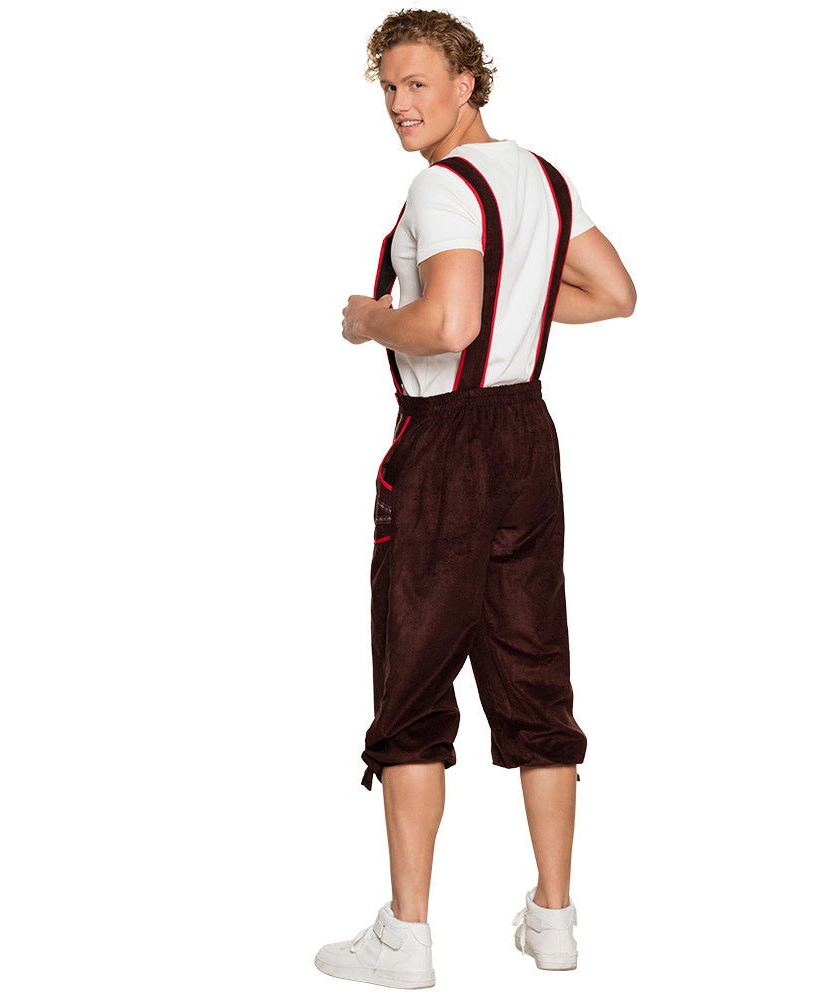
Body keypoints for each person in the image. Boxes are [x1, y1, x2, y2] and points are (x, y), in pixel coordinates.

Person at [316, 10, 636, 989]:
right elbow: (612, 292)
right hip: (527, 437)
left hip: (448, 445)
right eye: (388, 88)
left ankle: (405, 938)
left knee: (413, 678)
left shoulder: (440, 187)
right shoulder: (542, 177)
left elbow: (448, 324)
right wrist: (511, 305)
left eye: (418, 84)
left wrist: (373, 321)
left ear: (467, 83)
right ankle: (553, 919)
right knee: (534, 670)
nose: (399, 104)